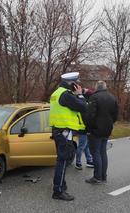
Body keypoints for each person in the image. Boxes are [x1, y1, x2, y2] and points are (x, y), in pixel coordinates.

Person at [49, 72, 87, 201]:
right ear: (73, 84)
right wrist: (80, 94)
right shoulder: (66, 95)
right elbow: (83, 107)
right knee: (64, 160)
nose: (78, 86)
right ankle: (58, 191)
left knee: (61, 159)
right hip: (65, 131)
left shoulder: (56, 93)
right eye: (77, 83)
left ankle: (61, 185)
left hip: (58, 130)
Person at [85, 81, 118, 184]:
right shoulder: (112, 98)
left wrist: (89, 128)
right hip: (107, 129)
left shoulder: (94, 97)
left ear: (96, 87)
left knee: (95, 152)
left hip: (95, 130)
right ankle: (103, 176)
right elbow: (115, 115)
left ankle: (97, 177)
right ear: (105, 87)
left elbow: (90, 115)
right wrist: (109, 124)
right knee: (103, 152)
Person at [75, 88, 94, 170]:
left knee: (86, 146)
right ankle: (78, 163)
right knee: (82, 146)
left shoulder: (79, 102)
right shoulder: (83, 104)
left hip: (82, 127)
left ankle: (89, 160)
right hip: (83, 128)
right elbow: (86, 118)